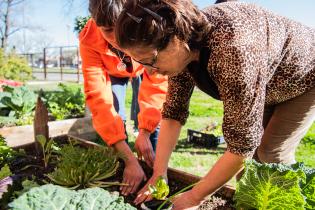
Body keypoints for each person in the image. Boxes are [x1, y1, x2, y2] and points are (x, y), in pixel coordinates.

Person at [115, 0, 315, 208]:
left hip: (305, 77)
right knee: (249, 167)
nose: (149, 71)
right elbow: (173, 112)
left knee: (271, 152)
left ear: (176, 38)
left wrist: (193, 198)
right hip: (268, 83)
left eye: (150, 60)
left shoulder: (233, 48)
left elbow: (241, 147)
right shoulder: (183, 52)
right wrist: (159, 173)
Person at [80, 0, 168, 196]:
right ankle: (127, 166)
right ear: (95, 22)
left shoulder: (146, 22)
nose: (117, 38)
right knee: (115, 118)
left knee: (152, 120)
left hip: (141, 66)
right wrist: (128, 159)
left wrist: (145, 131)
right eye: (108, 30)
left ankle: (152, 171)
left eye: (121, 28)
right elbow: (99, 100)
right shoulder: (88, 39)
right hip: (113, 72)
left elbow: (156, 85)